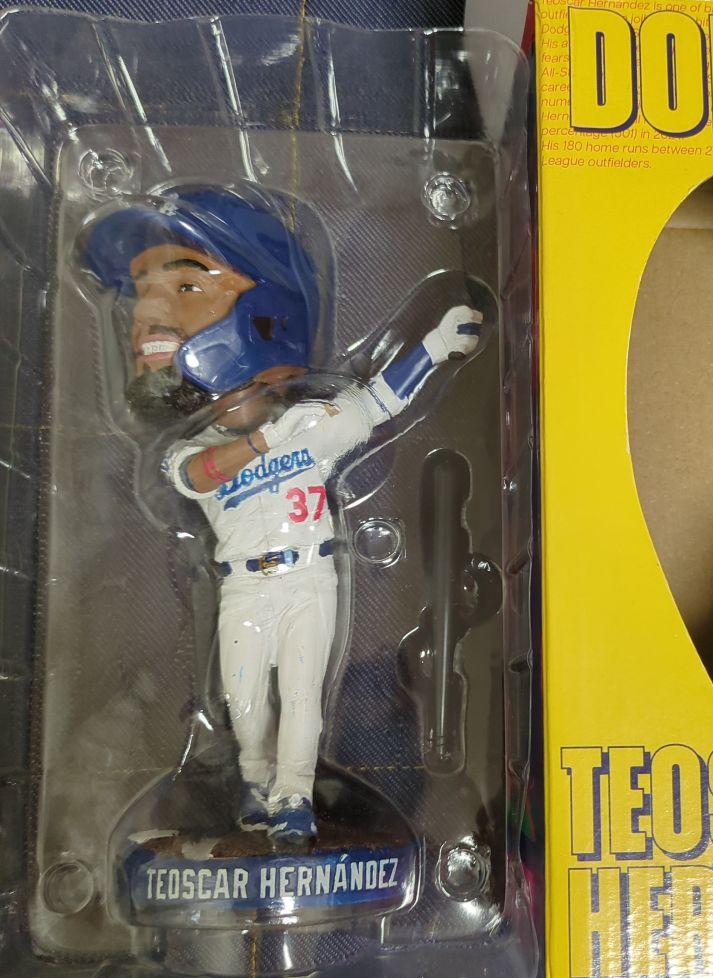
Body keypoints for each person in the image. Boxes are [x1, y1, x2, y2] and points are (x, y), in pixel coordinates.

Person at [80, 184, 482, 844]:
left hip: (306, 580)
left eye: (183, 286)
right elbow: (200, 474)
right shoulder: (193, 448)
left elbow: (380, 402)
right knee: (242, 701)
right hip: (243, 586)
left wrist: (434, 348)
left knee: (300, 695)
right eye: (140, 292)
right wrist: (270, 439)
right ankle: (256, 782)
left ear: (266, 318)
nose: (143, 315)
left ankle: (293, 797)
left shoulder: (311, 422)